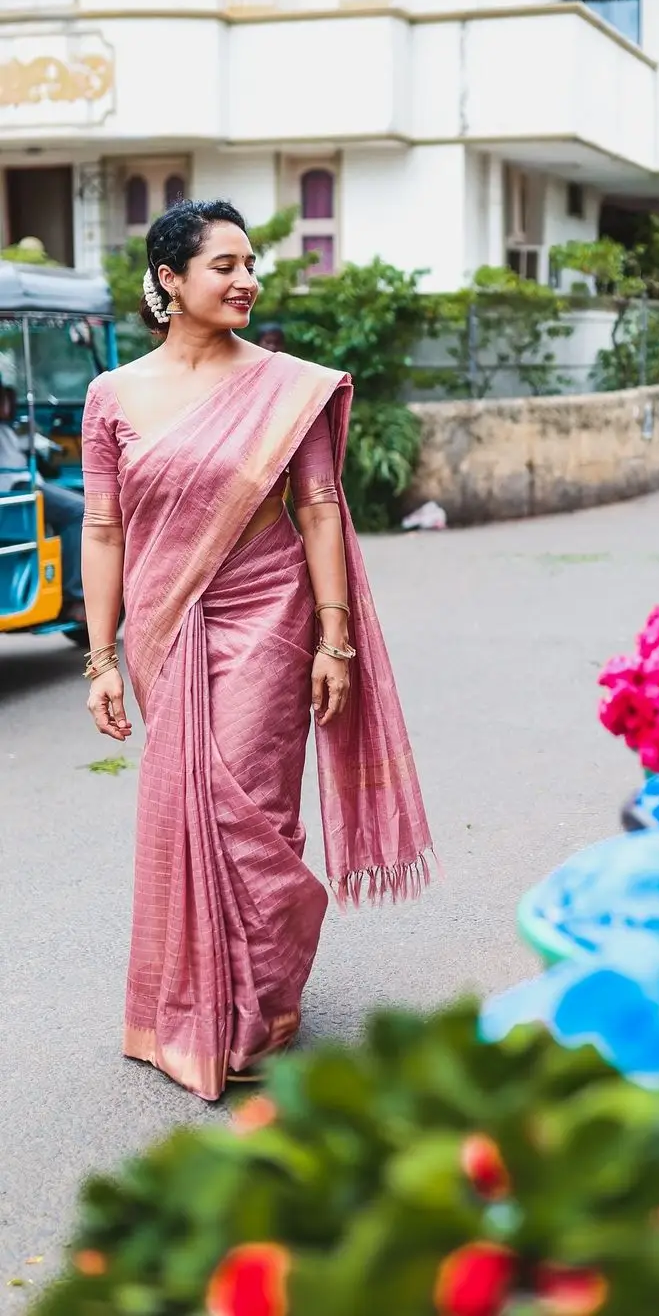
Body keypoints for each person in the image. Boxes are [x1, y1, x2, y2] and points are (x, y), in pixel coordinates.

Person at [80, 199, 435, 1101]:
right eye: (224, 266)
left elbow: (319, 509)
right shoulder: (112, 396)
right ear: (170, 280)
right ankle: (194, 1004)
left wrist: (336, 638)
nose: (247, 280)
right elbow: (105, 528)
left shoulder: (289, 386)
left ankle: (255, 1013)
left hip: (271, 613)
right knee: (187, 801)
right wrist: (100, 657)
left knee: (252, 811)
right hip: (164, 626)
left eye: (251, 265)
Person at [0, 384, 87, 621]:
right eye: (4, 398)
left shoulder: (10, 429)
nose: (9, 404)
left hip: (26, 484)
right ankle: (75, 595)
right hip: (15, 489)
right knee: (80, 511)